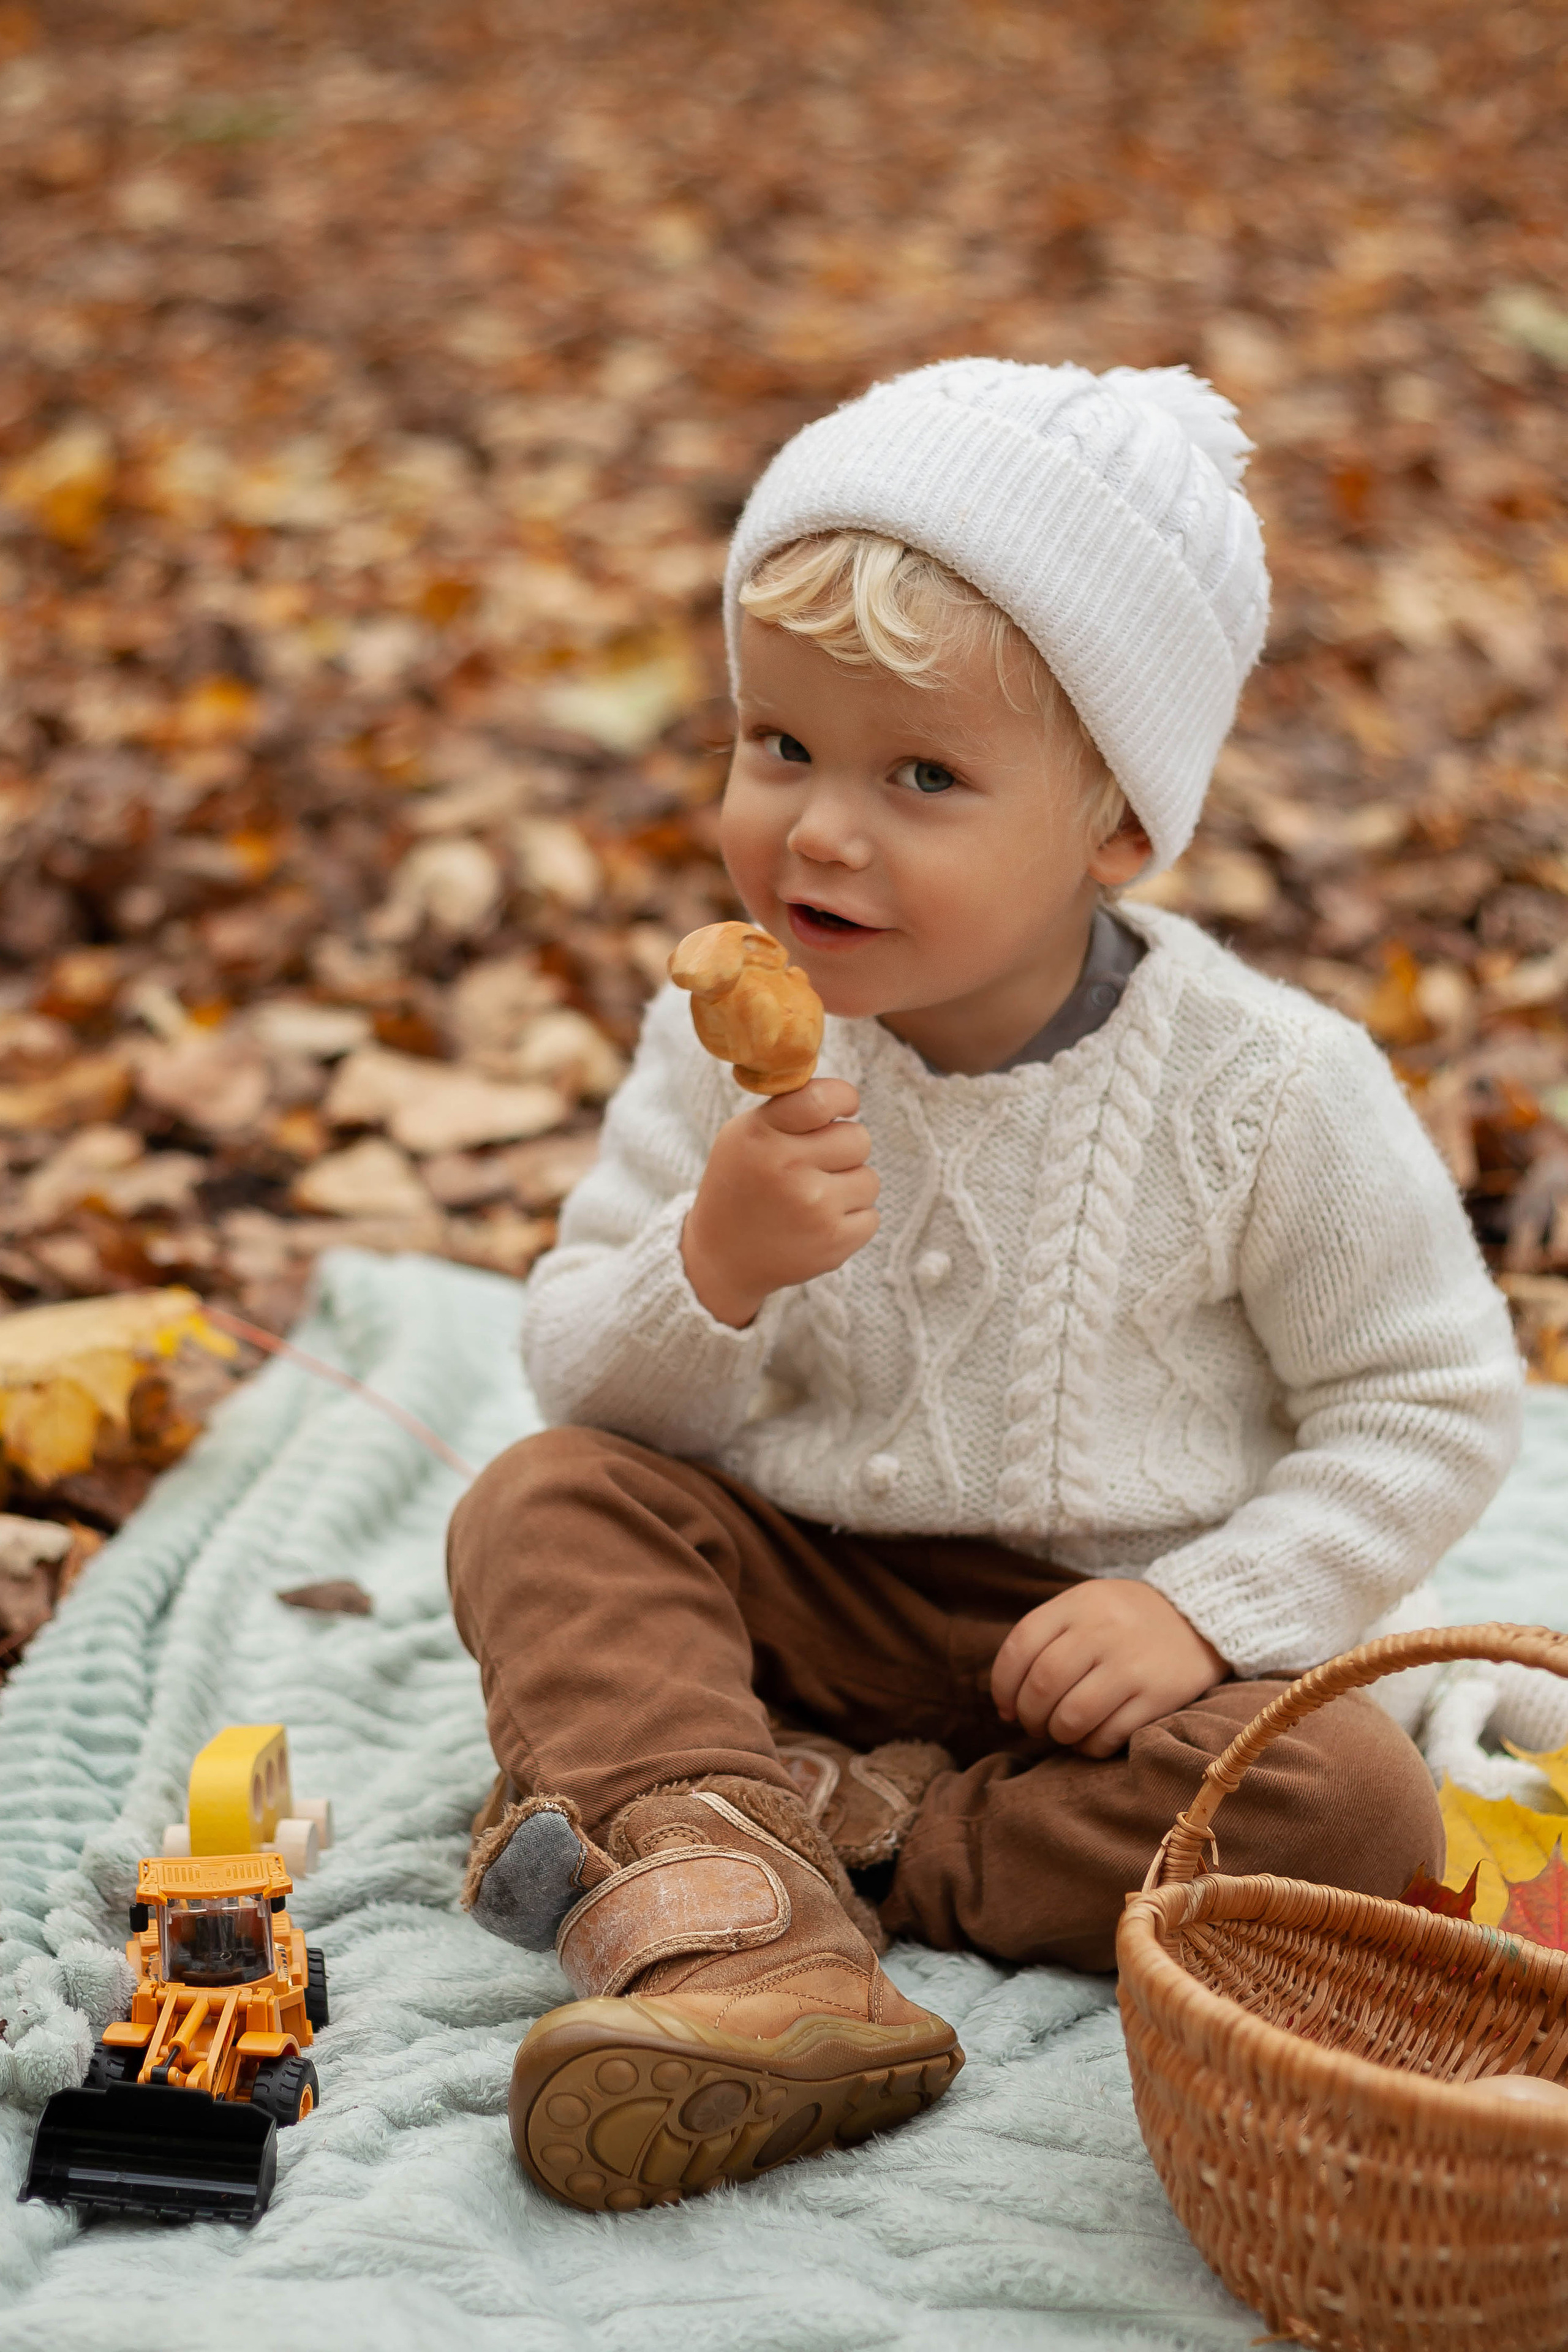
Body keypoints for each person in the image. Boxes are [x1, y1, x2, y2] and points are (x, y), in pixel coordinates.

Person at [447, 359, 1523, 2215]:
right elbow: (587, 1392)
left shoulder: (1267, 1086)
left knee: (1346, 1809)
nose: (820, 831)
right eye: (777, 745)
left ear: (1115, 829)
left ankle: (805, 1839)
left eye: (922, 775)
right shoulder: (714, 1047)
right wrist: (710, 1268)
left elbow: (1427, 1399)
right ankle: (748, 1916)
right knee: (543, 1510)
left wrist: (1204, 1609)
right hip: (813, 1578)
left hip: (1112, 1650)